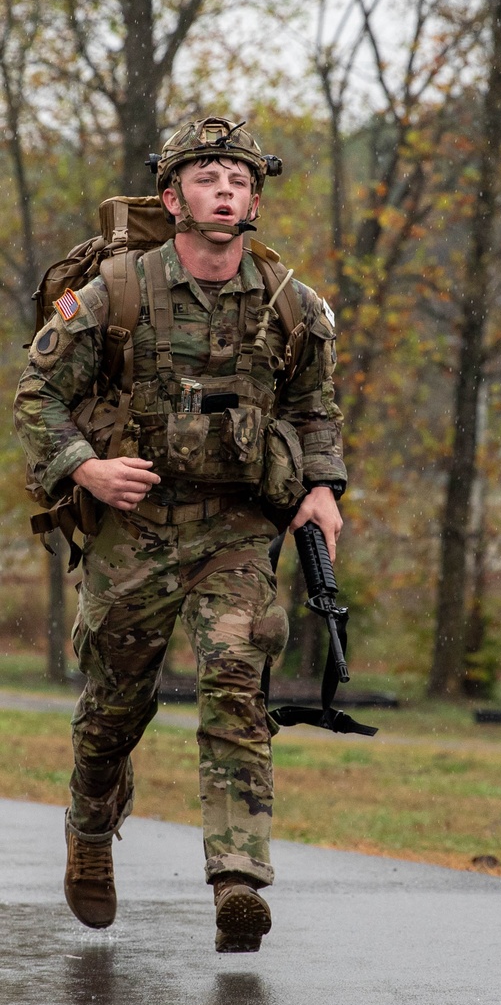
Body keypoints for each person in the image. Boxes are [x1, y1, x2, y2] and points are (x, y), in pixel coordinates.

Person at [13, 116, 348, 953]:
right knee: (112, 713)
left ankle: (239, 878)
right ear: (174, 197)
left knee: (237, 677)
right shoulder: (115, 293)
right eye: (207, 177)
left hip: (237, 527)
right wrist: (85, 467)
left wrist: (320, 487)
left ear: (255, 202)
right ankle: (91, 828)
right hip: (134, 528)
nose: (226, 189)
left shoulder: (291, 304)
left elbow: (314, 407)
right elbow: (36, 394)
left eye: (239, 179)